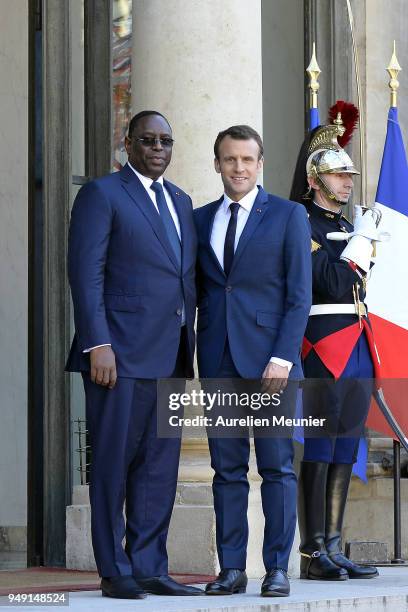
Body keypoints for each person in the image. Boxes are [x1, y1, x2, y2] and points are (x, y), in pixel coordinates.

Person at [66, 111, 203, 599]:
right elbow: (86, 275)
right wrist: (96, 343)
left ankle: (149, 565)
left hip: (170, 356)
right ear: (128, 143)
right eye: (148, 140)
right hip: (117, 356)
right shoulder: (102, 195)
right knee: (113, 463)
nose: (158, 148)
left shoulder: (182, 200)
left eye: (166, 140)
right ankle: (115, 569)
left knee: (159, 468)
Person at [194, 125, 312, 597]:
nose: (238, 168)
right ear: (217, 164)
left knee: (277, 467)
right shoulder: (201, 220)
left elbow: (299, 296)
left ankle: (278, 568)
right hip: (219, 357)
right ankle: (232, 569)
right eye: (229, 160)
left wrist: (283, 357)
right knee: (227, 469)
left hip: (271, 365)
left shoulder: (288, 216)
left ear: (260, 163)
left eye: (247, 159)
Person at [289, 109, 380, 580]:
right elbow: (329, 280)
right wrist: (362, 242)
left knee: (348, 443)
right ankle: (310, 552)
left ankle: (333, 544)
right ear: (314, 178)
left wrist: (358, 239)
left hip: (358, 343)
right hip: (323, 345)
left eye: (348, 174)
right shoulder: (302, 224)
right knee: (322, 445)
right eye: (337, 173)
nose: (347, 182)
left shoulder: (345, 224)